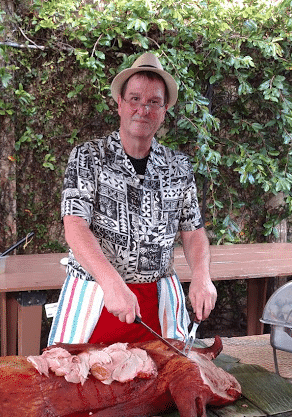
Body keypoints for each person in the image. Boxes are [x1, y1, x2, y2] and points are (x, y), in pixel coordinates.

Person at [48, 53, 217, 347]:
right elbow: (75, 225)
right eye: (135, 99)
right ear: (120, 105)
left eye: (154, 102)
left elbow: (193, 231)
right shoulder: (87, 157)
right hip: (97, 294)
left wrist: (202, 276)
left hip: (158, 302)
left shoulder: (178, 166)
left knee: (164, 383)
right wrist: (112, 282)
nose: (143, 109)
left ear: (164, 110)